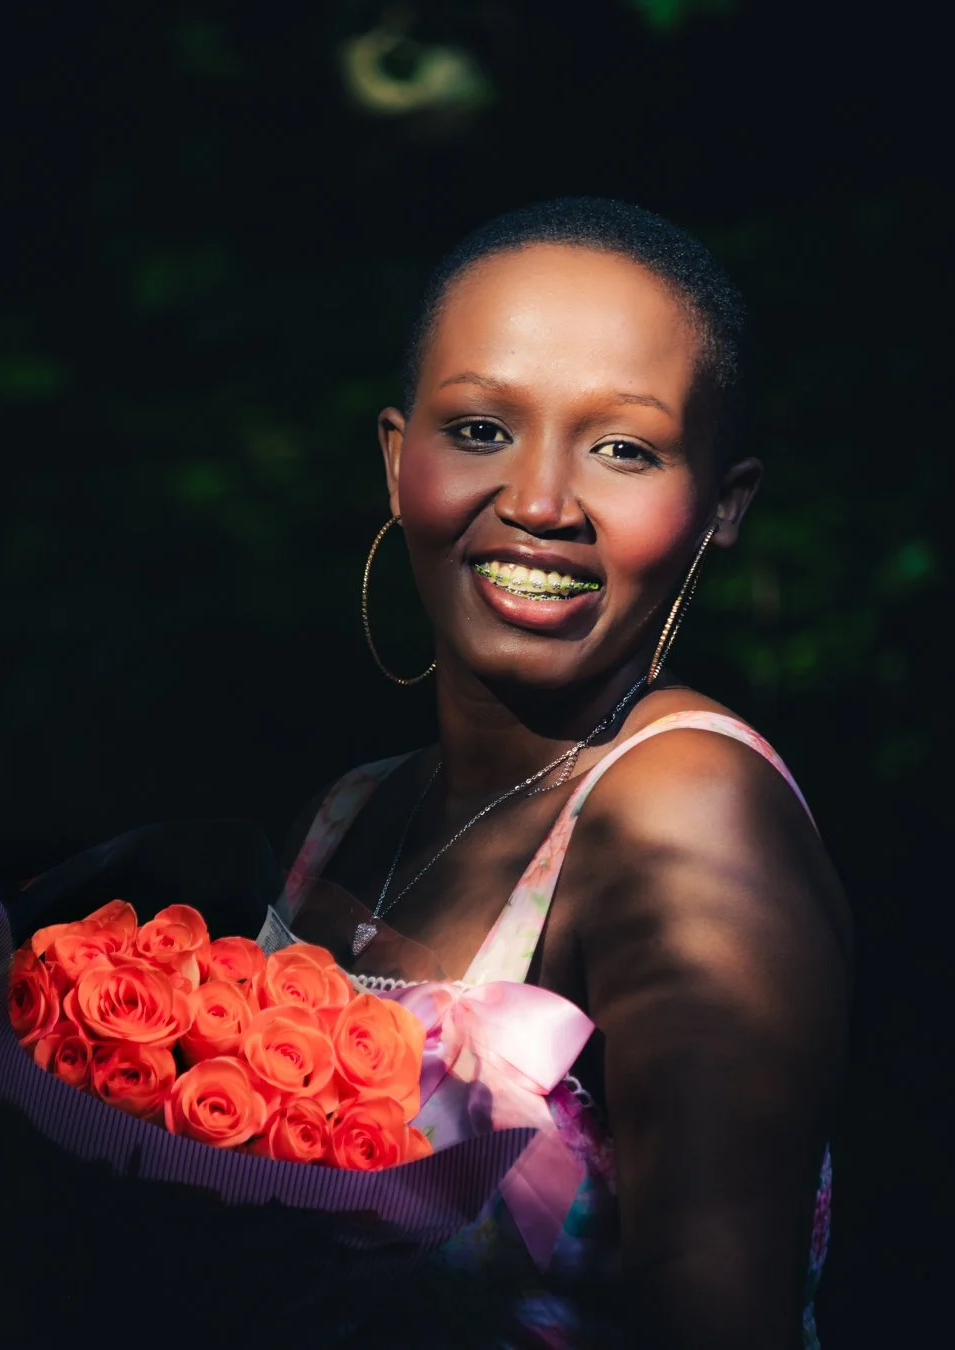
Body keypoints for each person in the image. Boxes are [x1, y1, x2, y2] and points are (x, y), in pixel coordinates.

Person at [272, 196, 853, 1350]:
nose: (540, 503)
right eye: (482, 428)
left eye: (624, 448)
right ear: (398, 463)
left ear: (720, 507)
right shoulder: (350, 814)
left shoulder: (685, 817)